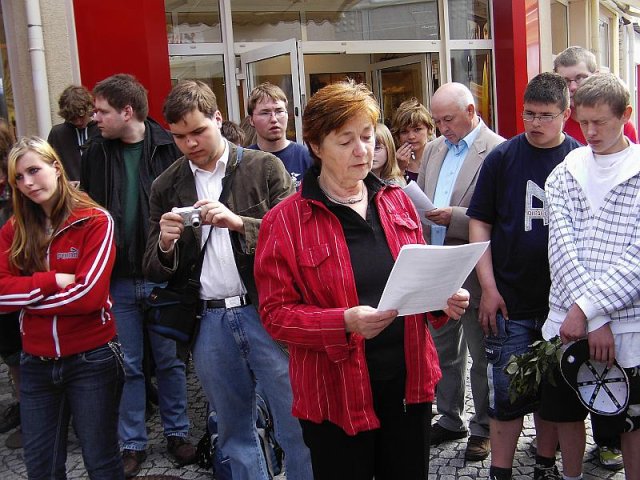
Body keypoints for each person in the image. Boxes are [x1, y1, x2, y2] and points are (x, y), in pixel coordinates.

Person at [254, 80, 469, 480]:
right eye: (346, 140)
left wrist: (443, 298)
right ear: (316, 147)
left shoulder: (396, 200)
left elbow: (419, 274)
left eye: (368, 137)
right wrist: (343, 322)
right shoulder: (284, 222)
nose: (362, 150)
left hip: (408, 386)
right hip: (334, 394)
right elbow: (275, 315)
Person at [142, 79, 312, 480]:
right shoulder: (166, 184)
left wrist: (238, 223)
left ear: (219, 118)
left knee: (297, 424)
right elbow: (151, 263)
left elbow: (298, 238)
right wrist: (166, 243)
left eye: (198, 131)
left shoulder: (262, 166)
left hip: (265, 311)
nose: (190, 144)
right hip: (209, 320)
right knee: (233, 432)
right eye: (180, 136)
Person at [467, 72, 581, 480]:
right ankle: (501, 471)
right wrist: (489, 287)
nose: (534, 123)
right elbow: (480, 222)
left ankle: (546, 466)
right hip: (510, 301)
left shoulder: (580, 159)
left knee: (556, 395)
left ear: (566, 114)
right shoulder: (503, 156)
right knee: (508, 396)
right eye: (528, 114)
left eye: (545, 116)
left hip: (563, 305)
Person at [80, 73, 194, 477]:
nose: (95, 118)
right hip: (117, 278)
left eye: (102, 111)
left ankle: (179, 434)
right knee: (127, 364)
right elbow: (89, 213)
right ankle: (132, 442)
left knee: (171, 362)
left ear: (127, 111)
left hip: (163, 275)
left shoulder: (168, 147)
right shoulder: (95, 152)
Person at [0, 136, 123, 478]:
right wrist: (51, 281)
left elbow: (89, 296)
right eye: (18, 178)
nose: (27, 183)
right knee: (41, 467)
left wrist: (24, 301)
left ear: (56, 167)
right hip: (35, 362)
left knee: (101, 461)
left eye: (33, 171)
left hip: (91, 358)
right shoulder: (16, 229)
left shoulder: (94, 220)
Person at [541, 73, 640, 480]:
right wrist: (591, 316)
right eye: (584, 123)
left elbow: (637, 258)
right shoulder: (564, 173)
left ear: (626, 115)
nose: (591, 132)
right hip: (567, 318)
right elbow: (560, 250)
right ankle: (570, 476)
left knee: (633, 418)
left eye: (601, 122)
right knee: (566, 412)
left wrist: (593, 309)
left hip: (630, 323)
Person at [416, 82, 504, 461]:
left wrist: (453, 217)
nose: (441, 128)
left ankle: (482, 425)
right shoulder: (434, 149)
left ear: (471, 111)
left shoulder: (498, 150)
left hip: (473, 265)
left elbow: (501, 216)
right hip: (436, 264)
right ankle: (449, 416)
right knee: (443, 349)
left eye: (448, 119)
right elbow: (421, 194)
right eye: (436, 121)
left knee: (482, 352)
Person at [553, 46, 638, 146]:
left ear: (596, 75)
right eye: (565, 81)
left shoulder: (620, 124)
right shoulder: (554, 122)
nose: (573, 87)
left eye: (580, 78)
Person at [0, 122, 22, 449]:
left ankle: (36, 412)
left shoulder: (19, 178)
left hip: (19, 280)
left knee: (20, 351)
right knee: (11, 353)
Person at [247, 83, 313, 189]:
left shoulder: (305, 157)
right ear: (251, 120)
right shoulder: (244, 162)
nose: (274, 119)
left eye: (279, 111)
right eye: (265, 113)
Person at [47, 85, 100, 182]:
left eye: (81, 116)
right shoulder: (57, 134)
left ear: (89, 109)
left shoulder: (102, 129)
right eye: (72, 119)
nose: (78, 122)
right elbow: (48, 165)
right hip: (71, 194)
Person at [391, 97, 435, 183]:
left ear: (429, 129)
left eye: (417, 129)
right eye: (404, 132)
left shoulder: (439, 158)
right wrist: (399, 169)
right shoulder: (391, 163)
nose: (411, 137)